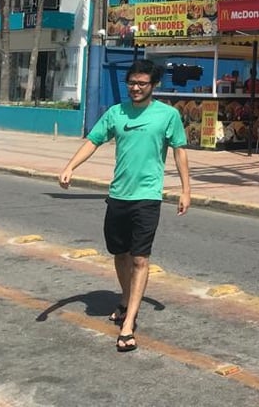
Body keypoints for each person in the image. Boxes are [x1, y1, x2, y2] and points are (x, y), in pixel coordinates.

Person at [57, 60, 190, 353]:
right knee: (119, 254)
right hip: (118, 195)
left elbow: (180, 151)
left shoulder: (168, 115)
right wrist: (70, 167)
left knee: (140, 259)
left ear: (154, 86)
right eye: (132, 82)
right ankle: (125, 298)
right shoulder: (116, 113)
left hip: (147, 197)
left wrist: (185, 190)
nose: (136, 88)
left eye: (142, 83)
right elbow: (92, 141)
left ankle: (129, 323)